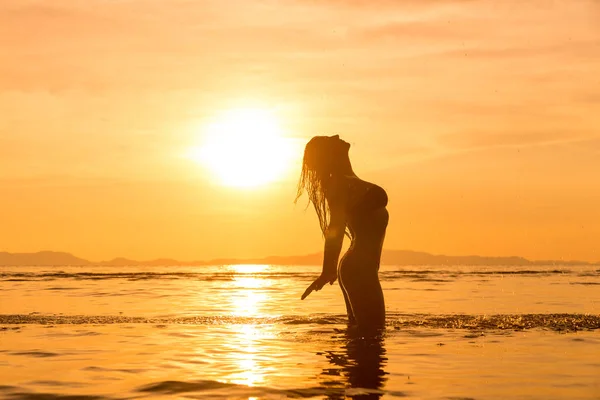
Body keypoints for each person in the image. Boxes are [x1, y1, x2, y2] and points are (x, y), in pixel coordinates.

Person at [295, 135, 389, 333]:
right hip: (358, 270)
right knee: (372, 334)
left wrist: (330, 269)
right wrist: (327, 269)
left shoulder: (349, 182)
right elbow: (335, 228)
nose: (337, 136)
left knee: (362, 336)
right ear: (328, 154)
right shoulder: (338, 184)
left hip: (362, 270)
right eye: (330, 139)